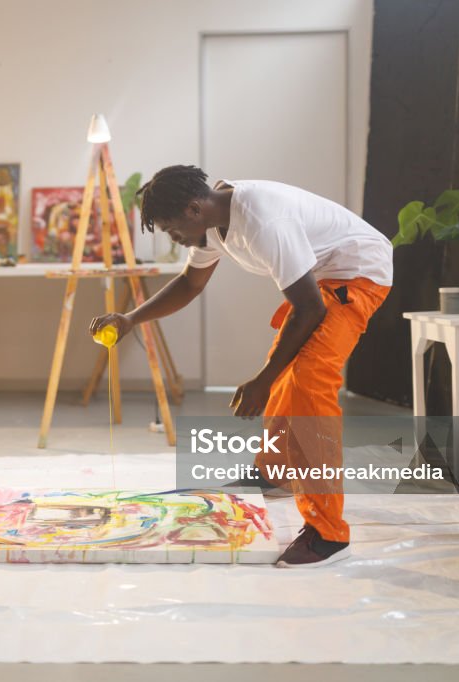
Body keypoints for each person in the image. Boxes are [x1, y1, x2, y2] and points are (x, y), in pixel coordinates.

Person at [89, 165, 393, 568]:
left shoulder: (264, 220)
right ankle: (276, 473)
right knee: (287, 373)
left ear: (193, 209)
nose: (174, 239)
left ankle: (328, 535)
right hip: (322, 282)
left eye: (171, 229)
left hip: (358, 274)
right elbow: (190, 284)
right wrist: (130, 319)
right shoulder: (213, 221)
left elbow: (309, 308)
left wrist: (261, 381)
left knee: (307, 384)